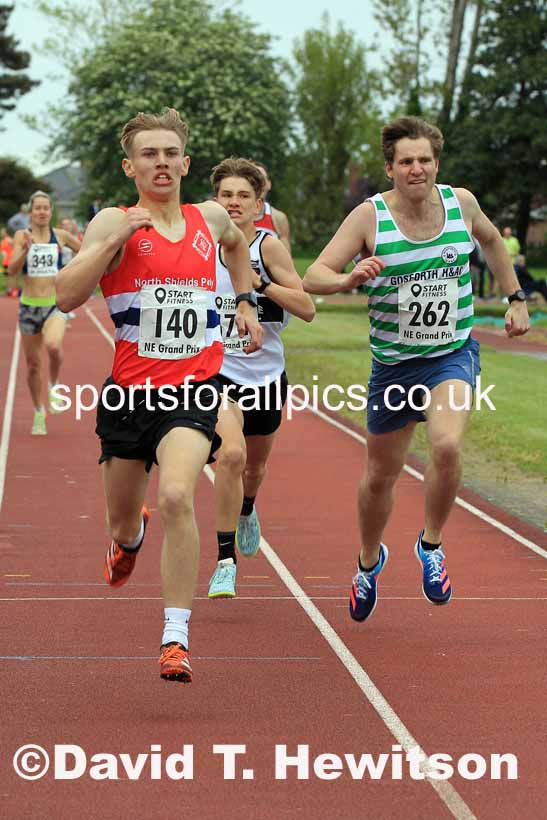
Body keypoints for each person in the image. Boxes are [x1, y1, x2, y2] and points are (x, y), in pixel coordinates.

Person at [56, 109, 262, 684]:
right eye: (149, 154)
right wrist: (113, 243)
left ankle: (176, 636)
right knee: (123, 523)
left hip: (195, 390)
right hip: (128, 397)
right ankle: (129, 539)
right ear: (131, 166)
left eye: (171, 153)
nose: (162, 162)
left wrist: (244, 302)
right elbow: (68, 295)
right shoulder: (110, 222)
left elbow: (237, 246)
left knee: (177, 494)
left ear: (186, 162)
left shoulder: (210, 217)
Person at [302, 116, 530, 624]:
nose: (416, 168)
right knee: (380, 477)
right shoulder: (369, 217)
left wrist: (514, 297)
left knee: (446, 444)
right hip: (394, 366)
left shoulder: (461, 204)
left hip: (451, 353)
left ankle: (430, 545)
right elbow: (313, 274)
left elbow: (491, 241)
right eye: (405, 161)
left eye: (424, 159)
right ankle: (368, 560)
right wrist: (347, 279)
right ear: (390, 168)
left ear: (436, 164)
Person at [207, 157, 315, 599]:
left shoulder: (268, 247)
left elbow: (306, 308)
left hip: (266, 376)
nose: (233, 203)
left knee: (254, 465)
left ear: (258, 205)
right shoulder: (202, 244)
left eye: (243, 196)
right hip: (216, 374)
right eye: (226, 195)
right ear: (216, 201)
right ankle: (224, 560)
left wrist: (258, 285)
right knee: (229, 456)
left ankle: (248, 507)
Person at [7, 191, 81, 434]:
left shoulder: (60, 236)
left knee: (52, 346)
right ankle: (39, 411)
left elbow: (89, 253)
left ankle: (54, 384)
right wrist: (25, 250)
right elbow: (12, 271)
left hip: (54, 305)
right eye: (36, 208)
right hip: (28, 306)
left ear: (51, 211)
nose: (41, 212)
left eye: (45, 208)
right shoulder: (22, 236)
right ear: (30, 212)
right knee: (32, 365)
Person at [252, 161, 291, 253]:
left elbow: (286, 259)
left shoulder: (278, 218)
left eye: (262, 179)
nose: (259, 184)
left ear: (269, 184)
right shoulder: (233, 215)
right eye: (254, 179)